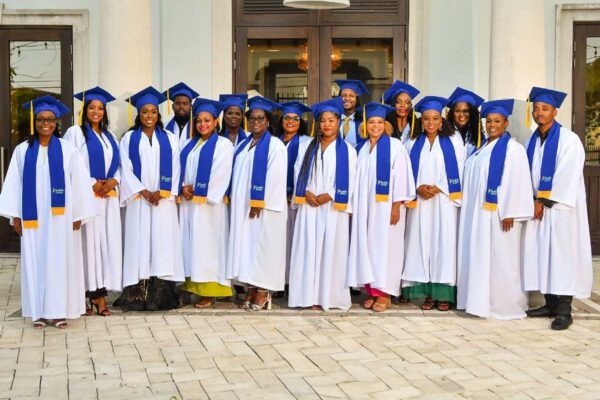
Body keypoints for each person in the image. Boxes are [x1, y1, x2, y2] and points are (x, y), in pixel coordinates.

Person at [0, 96, 95, 329]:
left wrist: (78, 215)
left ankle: (59, 310)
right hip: (34, 219)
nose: (46, 123)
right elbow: (14, 183)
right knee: (36, 261)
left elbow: (80, 182)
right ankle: (39, 312)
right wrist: (16, 216)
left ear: (56, 123)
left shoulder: (67, 149)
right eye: (41, 119)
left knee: (60, 261)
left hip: (61, 217)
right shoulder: (23, 151)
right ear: (34, 122)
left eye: (50, 120)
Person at [522, 87, 593, 330]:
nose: (539, 113)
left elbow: (566, 176)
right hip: (537, 208)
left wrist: (541, 201)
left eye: (545, 109)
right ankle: (549, 304)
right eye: (536, 109)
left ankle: (564, 310)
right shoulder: (532, 140)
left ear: (555, 111)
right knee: (542, 255)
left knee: (561, 256)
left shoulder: (569, 140)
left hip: (560, 210)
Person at [456, 99, 534, 319]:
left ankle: (502, 305)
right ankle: (479, 302)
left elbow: (518, 182)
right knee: (482, 258)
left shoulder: (513, 149)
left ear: (506, 123)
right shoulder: (482, 149)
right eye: (488, 121)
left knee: (501, 259)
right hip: (479, 216)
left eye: (496, 121)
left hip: (499, 216)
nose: (491, 125)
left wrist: (510, 211)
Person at [114, 86, 184, 311]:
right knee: (139, 242)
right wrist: (143, 191)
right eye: (145, 112)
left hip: (163, 201)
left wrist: (163, 192)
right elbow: (125, 169)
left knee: (162, 242)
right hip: (139, 201)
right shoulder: (128, 139)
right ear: (138, 114)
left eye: (153, 112)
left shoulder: (170, 138)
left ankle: (161, 295)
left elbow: (176, 167)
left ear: (158, 114)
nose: (149, 116)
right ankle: (137, 295)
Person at [288, 97, 357, 311]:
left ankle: (330, 298)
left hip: (332, 209)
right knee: (308, 251)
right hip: (309, 207)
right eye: (323, 121)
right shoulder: (307, 148)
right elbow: (297, 172)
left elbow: (351, 179)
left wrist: (330, 195)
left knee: (331, 252)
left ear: (338, 122)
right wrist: (305, 192)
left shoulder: (348, 151)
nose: (327, 125)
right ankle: (306, 297)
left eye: (331, 120)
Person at [347, 102, 415, 312]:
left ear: (385, 125)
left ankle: (384, 294)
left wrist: (396, 205)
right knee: (367, 247)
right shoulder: (361, 148)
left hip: (387, 208)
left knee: (386, 249)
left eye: (379, 122)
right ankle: (371, 290)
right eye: (371, 122)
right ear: (364, 126)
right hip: (364, 208)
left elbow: (403, 176)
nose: (375, 126)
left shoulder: (395, 146)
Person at [402, 96, 466, 311]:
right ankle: (427, 294)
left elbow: (460, 165)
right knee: (420, 243)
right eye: (426, 118)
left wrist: (438, 186)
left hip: (444, 200)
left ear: (442, 121)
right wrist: (418, 186)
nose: (430, 122)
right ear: (421, 121)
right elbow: (403, 167)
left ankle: (443, 293)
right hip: (419, 200)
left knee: (443, 244)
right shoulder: (411, 140)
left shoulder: (454, 138)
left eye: (435, 118)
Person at [64, 86, 122, 316]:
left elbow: (120, 165)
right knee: (87, 248)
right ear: (84, 110)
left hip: (108, 200)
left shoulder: (111, 136)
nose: (96, 112)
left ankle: (99, 293)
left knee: (104, 247)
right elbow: (71, 165)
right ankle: (90, 298)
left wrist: (114, 181)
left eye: (100, 108)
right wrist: (92, 183)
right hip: (87, 199)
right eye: (92, 108)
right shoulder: (74, 133)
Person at [225, 96, 287, 311]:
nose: (255, 122)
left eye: (260, 118)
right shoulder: (244, 144)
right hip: (244, 207)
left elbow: (277, 179)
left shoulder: (276, 146)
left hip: (264, 209)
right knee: (248, 248)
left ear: (268, 121)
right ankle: (251, 286)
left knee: (264, 248)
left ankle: (264, 290)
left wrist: (259, 202)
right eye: (252, 118)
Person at [178, 98, 234, 308]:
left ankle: (210, 292)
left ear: (215, 122)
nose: (202, 124)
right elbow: (178, 169)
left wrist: (201, 190)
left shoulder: (223, 145)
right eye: (199, 121)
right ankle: (189, 287)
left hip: (210, 206)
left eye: (207, 120)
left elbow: (222, 173)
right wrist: (182, 186)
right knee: (189, 244)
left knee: (208, 245)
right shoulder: (188, 144)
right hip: (188, 203)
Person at [275, 101, 312, 290]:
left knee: (294, 241)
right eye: (287, 118)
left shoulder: (307, 142)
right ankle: (278, 280)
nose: (290, 121)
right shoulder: (273, 141)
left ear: (301, 122)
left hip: (295, 200)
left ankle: (292, 281)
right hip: (275, 200)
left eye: (295, 118)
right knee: (278, 241)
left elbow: (305, 170)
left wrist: (296, 193)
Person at [446, 87, 485, 157]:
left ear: (472, 113)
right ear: (452, 113)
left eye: (465, 111)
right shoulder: (445, 135)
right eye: (457, 111)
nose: (461, 115)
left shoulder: (481, 137)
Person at [163, 82, 199, 148]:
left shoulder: (198, 127)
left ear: (191, 107)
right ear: (173, 106)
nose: (181, 107)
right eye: (177, 103)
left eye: (185, 103)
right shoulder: (164, 127)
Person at [336, 79, 369, 147]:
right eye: (344, 95)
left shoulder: (363, 121)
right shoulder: (333, 119)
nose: (347, 98)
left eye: (351, 96)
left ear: (356, 99)